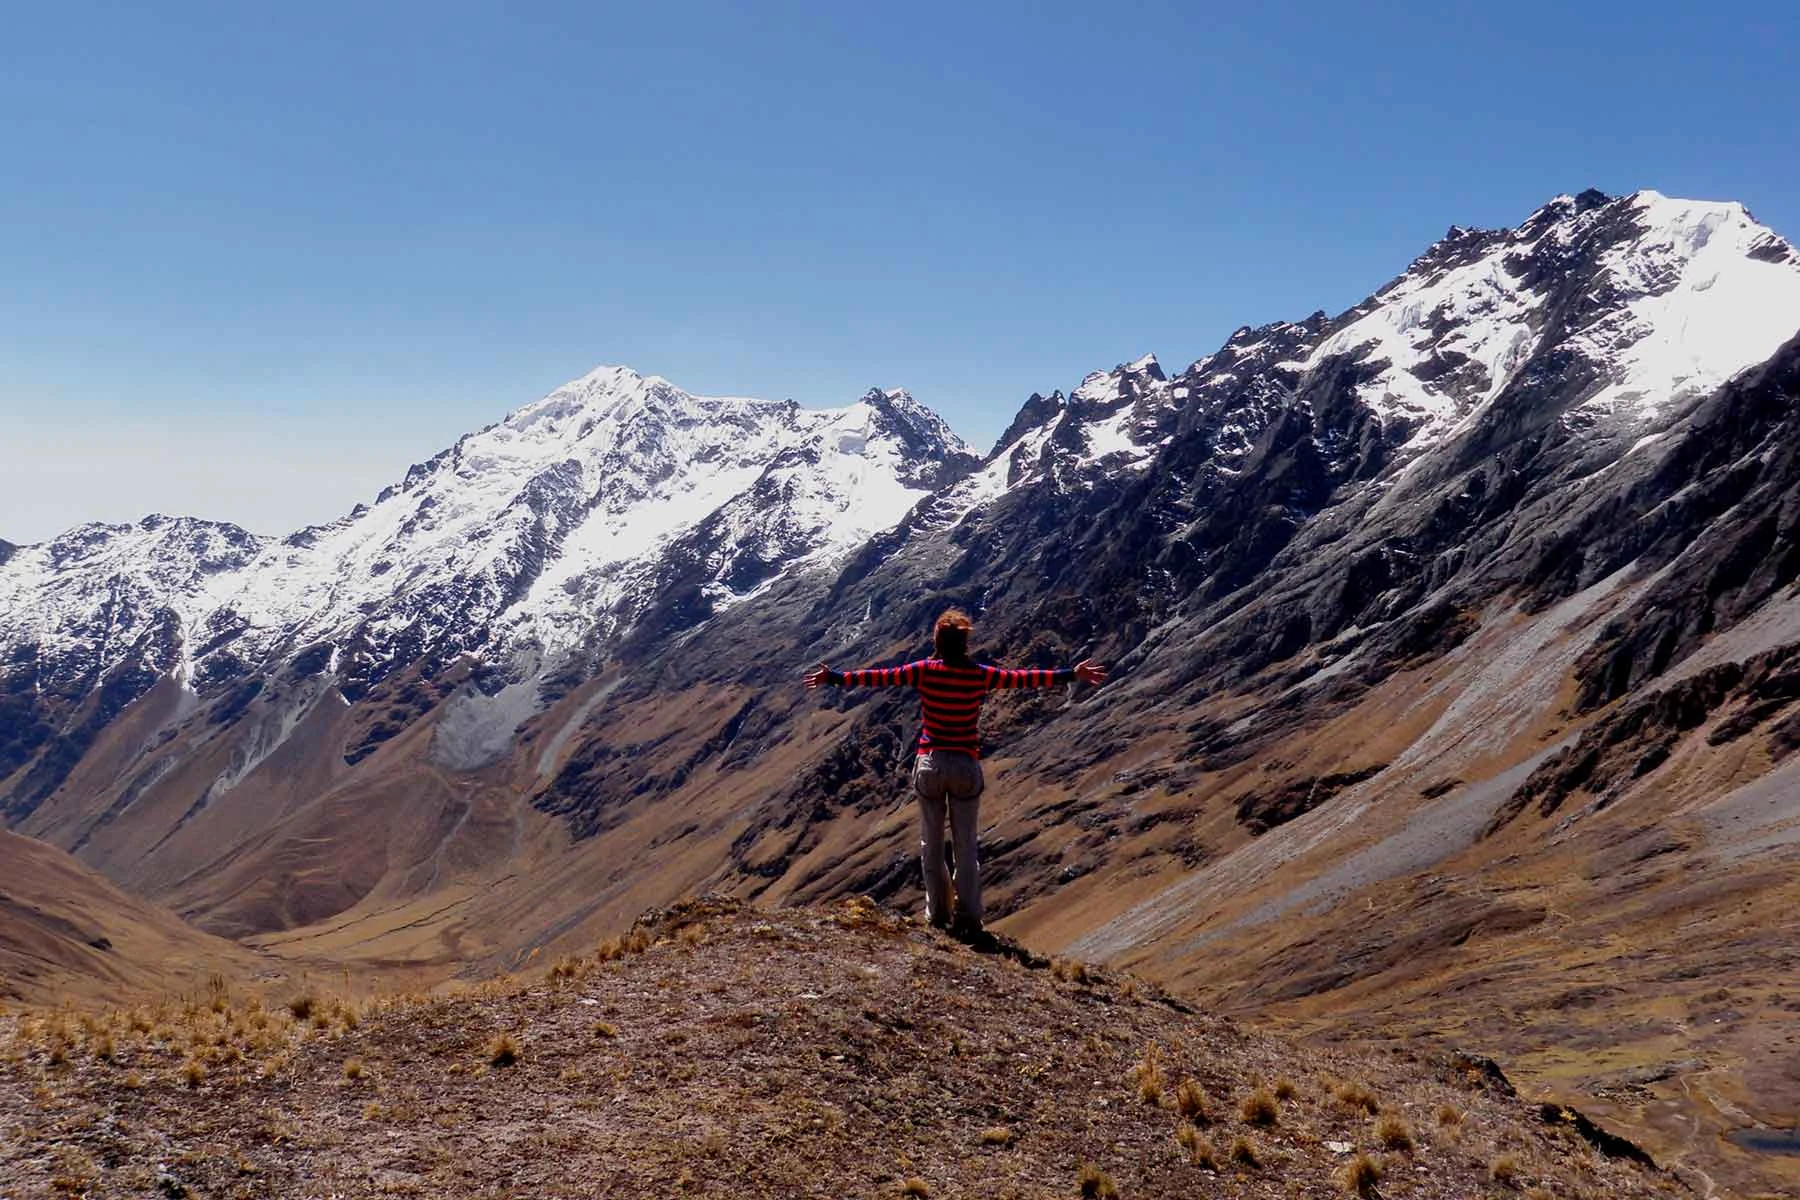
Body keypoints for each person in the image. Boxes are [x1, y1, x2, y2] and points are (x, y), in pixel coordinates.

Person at [804, 609, 1107, 936]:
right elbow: (1023, 678)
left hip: (931, 763)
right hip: (964, 765)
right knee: (966, 846)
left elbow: (880, 677)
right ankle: (969, 919)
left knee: (931, 843)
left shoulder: (923, 671)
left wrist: (835, 677)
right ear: (964, 644)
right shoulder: (979, 675)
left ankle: (937, 915)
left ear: (937, 642)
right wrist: (1071, 674)